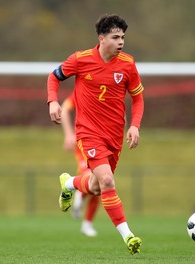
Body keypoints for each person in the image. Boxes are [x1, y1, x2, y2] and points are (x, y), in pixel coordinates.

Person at [47, 14, 144, 255]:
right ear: (101, 38)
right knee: (108, 181)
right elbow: (54, 77)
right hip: (88, 133)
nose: (121, 41)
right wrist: (52, 102)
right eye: (115, 37)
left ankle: (69, 183)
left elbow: (138, 97)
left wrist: (134, 125)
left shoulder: (128, 64)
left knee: (97, 186)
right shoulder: (80, 59)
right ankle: (128, 235)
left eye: (123, 37)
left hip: (114, 136)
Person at [60, 94, 100, 237]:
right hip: (84, 139)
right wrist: (69, 134)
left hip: (102, 140)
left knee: (99, 185)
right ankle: (76, 192)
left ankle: (87, 223)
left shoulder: (107, 89)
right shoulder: (81, 91)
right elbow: (64, 109)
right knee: (92, 175)